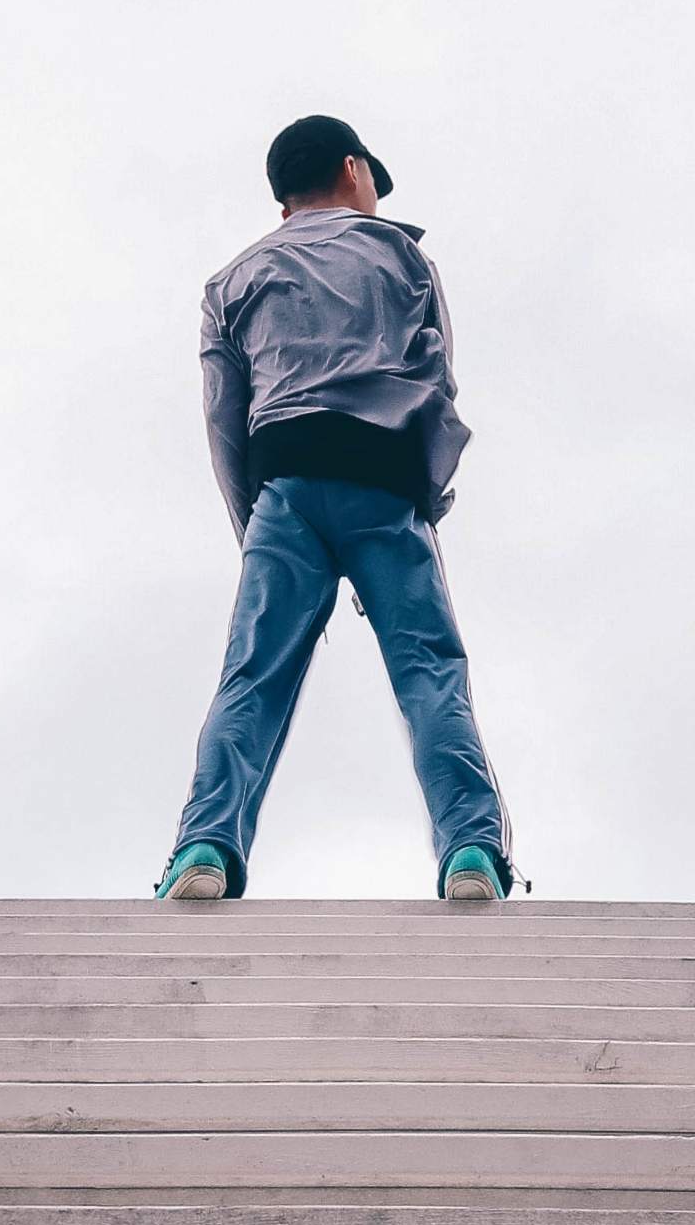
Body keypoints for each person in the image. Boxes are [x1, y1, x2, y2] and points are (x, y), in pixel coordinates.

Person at [155, 112, 517, 905]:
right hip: (384, 481)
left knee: (252, 676)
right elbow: (435, 381)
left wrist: (256, 524)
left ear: (284, 202)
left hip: (283, 484)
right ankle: (471, 853)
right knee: (429, 671)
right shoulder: (401, 254)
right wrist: (421, 500)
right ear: (354, 169)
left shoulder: (232, 280)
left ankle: (204, 847)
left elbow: (224, 420)